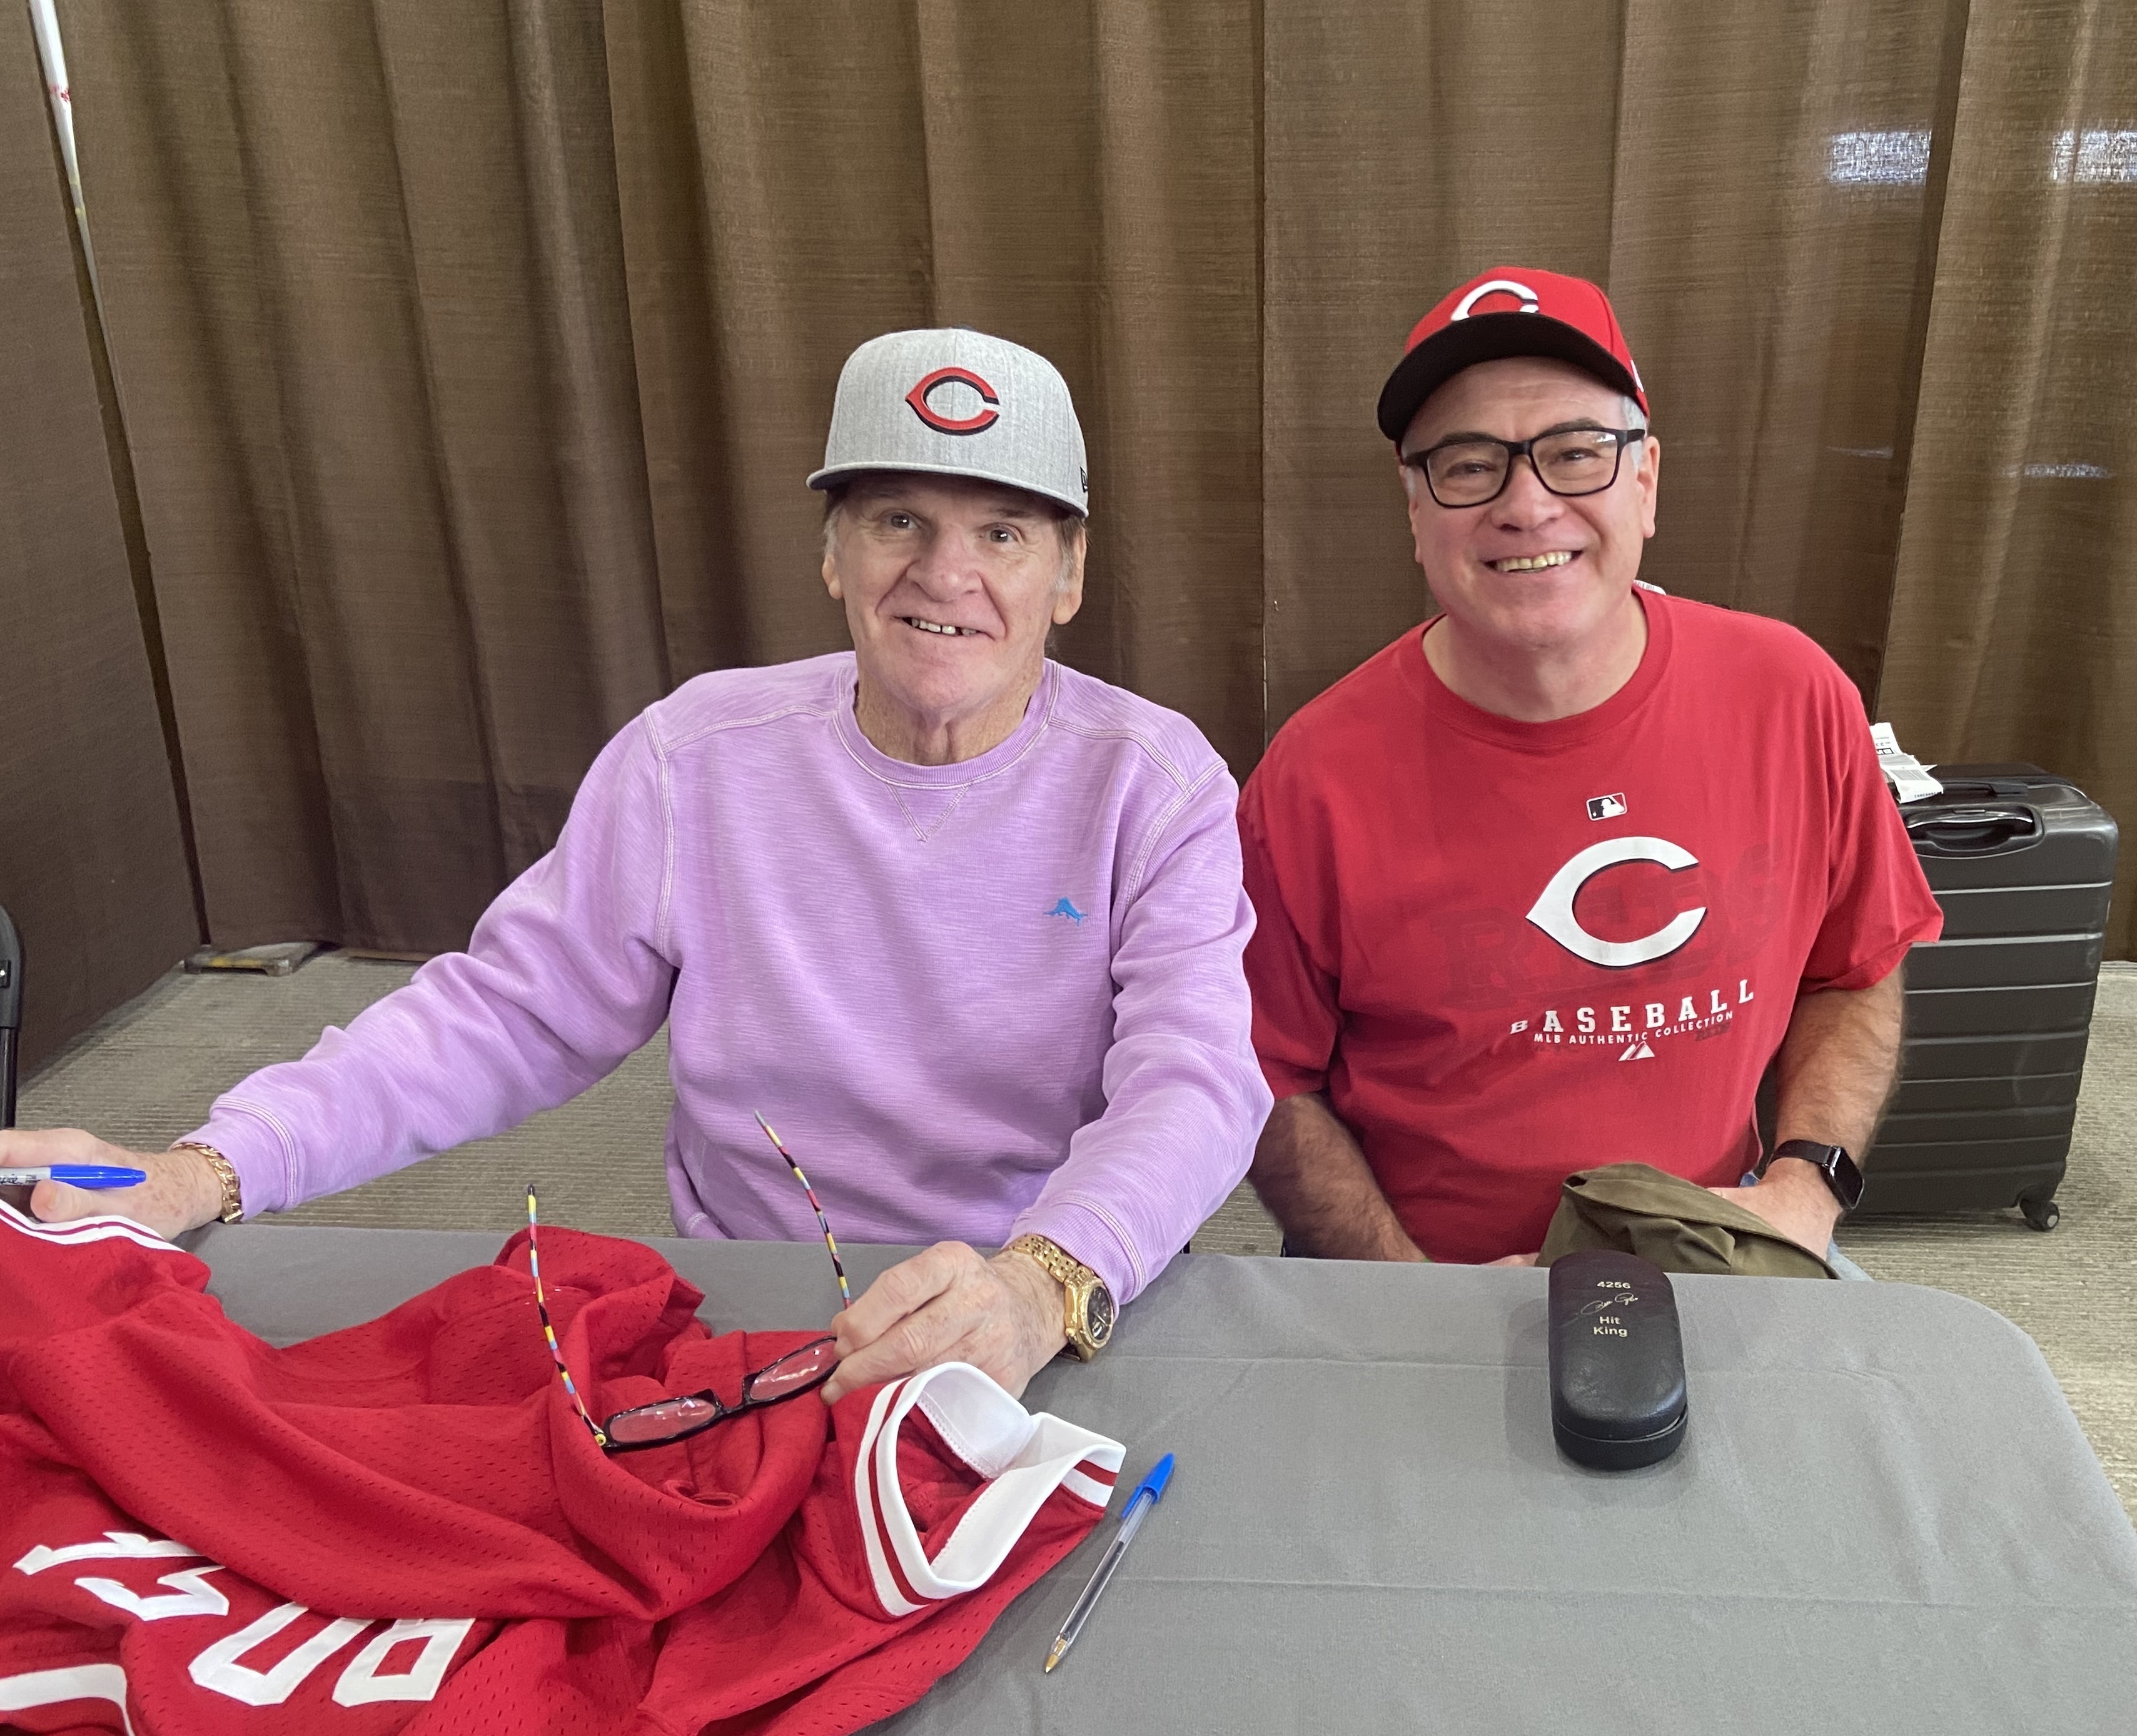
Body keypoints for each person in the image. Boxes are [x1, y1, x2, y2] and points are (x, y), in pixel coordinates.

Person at [1, 328, 1271, 1395]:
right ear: (833, 552)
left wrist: (1037, 1290)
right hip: (762, 1305)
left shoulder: (1152, 785)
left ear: (1070, 573)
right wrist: (206, 1166)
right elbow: (503, 1017)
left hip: (1047, 1295)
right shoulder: (695, 757)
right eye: (899, 519)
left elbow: (1197, 1081)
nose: (945, 574)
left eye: (1002, 532)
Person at [1238, 269, 1942, 1268]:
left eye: (1576, 454)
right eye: (1470, 465)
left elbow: (1856, 965)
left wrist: (1807, 1184)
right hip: (1417, 1278)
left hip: (1713, 1246)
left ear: (1645, 481)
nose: (1527, 507)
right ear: (1413, 511)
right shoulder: (1314, 776)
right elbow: (1267, 1078)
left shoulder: (1794, 696)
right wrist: (1414, 1290)